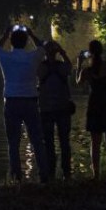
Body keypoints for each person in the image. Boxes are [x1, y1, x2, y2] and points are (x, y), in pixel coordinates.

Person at [0, 24, 47, 182]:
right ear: (26, 42)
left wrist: (5, 34)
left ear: (11, 42)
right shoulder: (32, 57)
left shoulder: (6, 57)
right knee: (37, 140)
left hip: (12, 101)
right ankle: (44, 175)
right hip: (30, 101)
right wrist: (31, 34)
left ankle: (16, 177)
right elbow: (42, 47)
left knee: (13, 142)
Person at [77, 40, 106, 180]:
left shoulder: (87, 71)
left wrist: (79, 64)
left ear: (89, 52)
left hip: (96, 104)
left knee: (95, 143)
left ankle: (96, 174)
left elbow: (78, 83)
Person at [37, 40, 74, 181]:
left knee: (48, 142)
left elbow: (36, 72)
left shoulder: (41, 68)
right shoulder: (62, 67)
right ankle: (66, 172)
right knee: (64, 141)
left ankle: (50, 172)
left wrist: (42, 53)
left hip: (46, 108)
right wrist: (62, 52)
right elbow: (70, 67)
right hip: (63, 108)